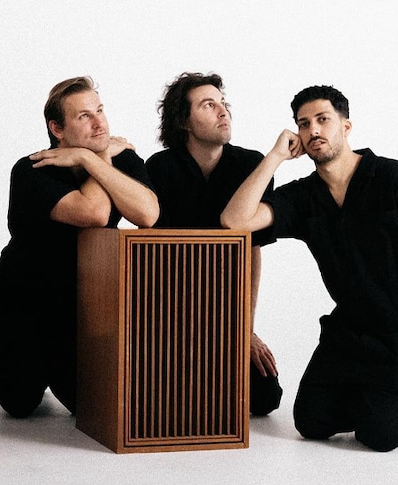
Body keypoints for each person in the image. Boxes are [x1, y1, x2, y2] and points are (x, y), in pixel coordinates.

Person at [220, 85, 398, 451]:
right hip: (350, 332)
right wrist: (273, 157)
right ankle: (391, 390)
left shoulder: (394, 178)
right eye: (304, 124)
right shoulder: (304, 196)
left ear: (346, 126)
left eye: (323, 120)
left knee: (378, 435)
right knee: (310, 422)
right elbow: (234, 220)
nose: (313, 130)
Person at [0, 76, 159, 418]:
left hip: (79, 310)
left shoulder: (119, 158)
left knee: (88, 406)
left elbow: (148, 213)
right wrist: (100, 157)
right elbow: (93, 212)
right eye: (84, 116)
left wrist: (94, 159)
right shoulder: (32, 168)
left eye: (100, 111)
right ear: (57, 128)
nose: (99, 123)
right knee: (19, 404)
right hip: (21, 304)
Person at [144, 72, 282, 416]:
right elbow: (154, 258)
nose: (223, 112)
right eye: (209, 105)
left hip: (228, 311)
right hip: (171, 313)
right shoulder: (160, 168)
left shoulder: (252, 165)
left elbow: (252, 252)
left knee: (265, 398)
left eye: (224, 104)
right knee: (166, 400)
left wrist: (243, 331)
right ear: (184, 122)